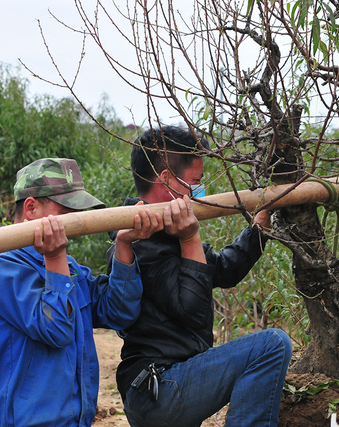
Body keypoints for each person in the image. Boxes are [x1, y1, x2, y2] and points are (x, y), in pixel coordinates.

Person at [109, 125, 292, 427]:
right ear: (167, 180)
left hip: (175, 381)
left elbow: (224, 270)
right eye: (195, 182)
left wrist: (259, 227)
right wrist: (191, 238)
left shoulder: (167, 234)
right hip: (159, 387)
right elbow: (192, 311)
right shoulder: (138, 246)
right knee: (271, 345)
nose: (199, 192)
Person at [0, 158, 163, 427]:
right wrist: (55, 256)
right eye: (67, 210)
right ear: (30, 207)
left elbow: (120, 312)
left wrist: (123, 244)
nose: (75, 220)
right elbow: (56, 330)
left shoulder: (68, 267)